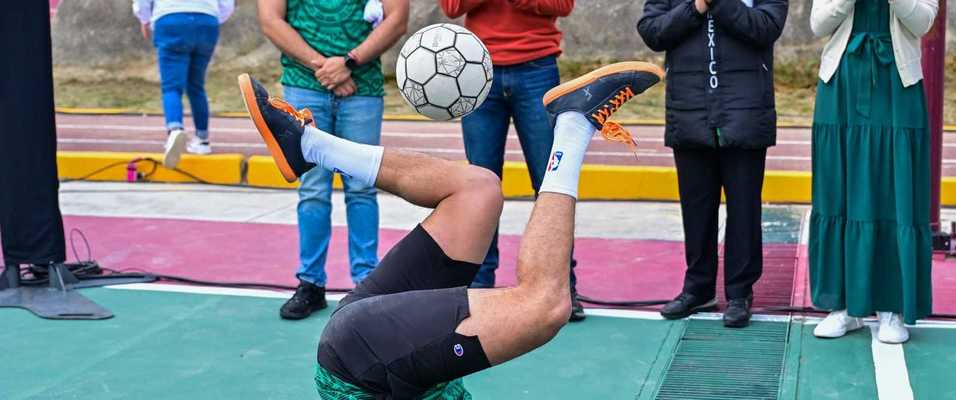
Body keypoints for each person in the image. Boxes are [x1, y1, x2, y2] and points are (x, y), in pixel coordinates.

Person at [236, 61, 660, 398]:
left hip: (363, 361)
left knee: (544, 304)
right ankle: (309, 146)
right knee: (478, 190)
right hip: (369, 347)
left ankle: (574, 124)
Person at [638, 0, 788, 328]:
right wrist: (696, 7)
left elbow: (767, 27)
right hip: (688, 110)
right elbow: (652, 31)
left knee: (744, 210)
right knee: (696, 208)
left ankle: (739, 293)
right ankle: (698, 288)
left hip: (746, 111)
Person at [257, 0, 409, 320]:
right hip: (303, 86)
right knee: (312, 188)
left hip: (362, 87)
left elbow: (397, 18)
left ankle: (367, 284)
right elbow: (270, 19)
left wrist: (349, 62)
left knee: (363, 186)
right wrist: (325, 67)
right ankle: (310, 283)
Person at [437, 0, 587, 322]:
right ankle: (479, 283)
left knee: (550, 183)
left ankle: (562, 286)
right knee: (479, 186)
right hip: (476, 68)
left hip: (538, 69)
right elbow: (452, 7)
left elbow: (562, 6)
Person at [806, 0, 938, 344]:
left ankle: (891, 307)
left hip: (898, 83)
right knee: (839, 190)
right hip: (842, 83)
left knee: (894, 190)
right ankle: (843, 307)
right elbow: (818, 24)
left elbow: (923, 22)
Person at [132, 0, 235, 168]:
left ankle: (175, 129)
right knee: (196, 85)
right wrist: (213, 16)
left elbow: (142, 2)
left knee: (171, 87)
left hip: (170, 19)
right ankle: (202, 140)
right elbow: (227, 3)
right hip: (207, 21)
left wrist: (145, 19)